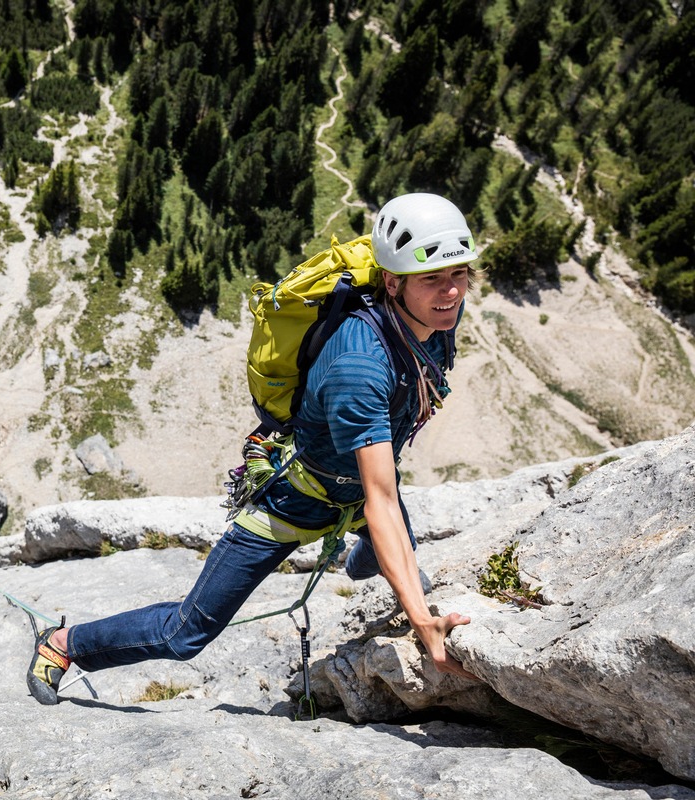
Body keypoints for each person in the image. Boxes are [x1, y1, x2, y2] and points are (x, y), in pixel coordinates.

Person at [27, 192, 481, 705]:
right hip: (293, 497)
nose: (450, 292)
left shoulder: (435, 321)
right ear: (393, 282)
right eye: (432, 280)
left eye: (459, 274)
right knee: (184, 635)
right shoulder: (360, 365)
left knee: (391, 554)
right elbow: (381, 498)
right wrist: (421, 620)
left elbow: (378, 486)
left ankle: (365, 559)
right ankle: (63, 645)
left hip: (358, 484)